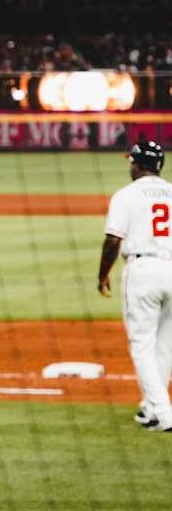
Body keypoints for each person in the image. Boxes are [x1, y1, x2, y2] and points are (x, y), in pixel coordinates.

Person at [98, 138, 172, 431]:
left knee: (141, 344)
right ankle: (151, 407)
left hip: (144, 271)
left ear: (137, 165)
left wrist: (102, 275)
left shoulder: (126, 196)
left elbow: (113, 239)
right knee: (165, 344)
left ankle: (163, 414)